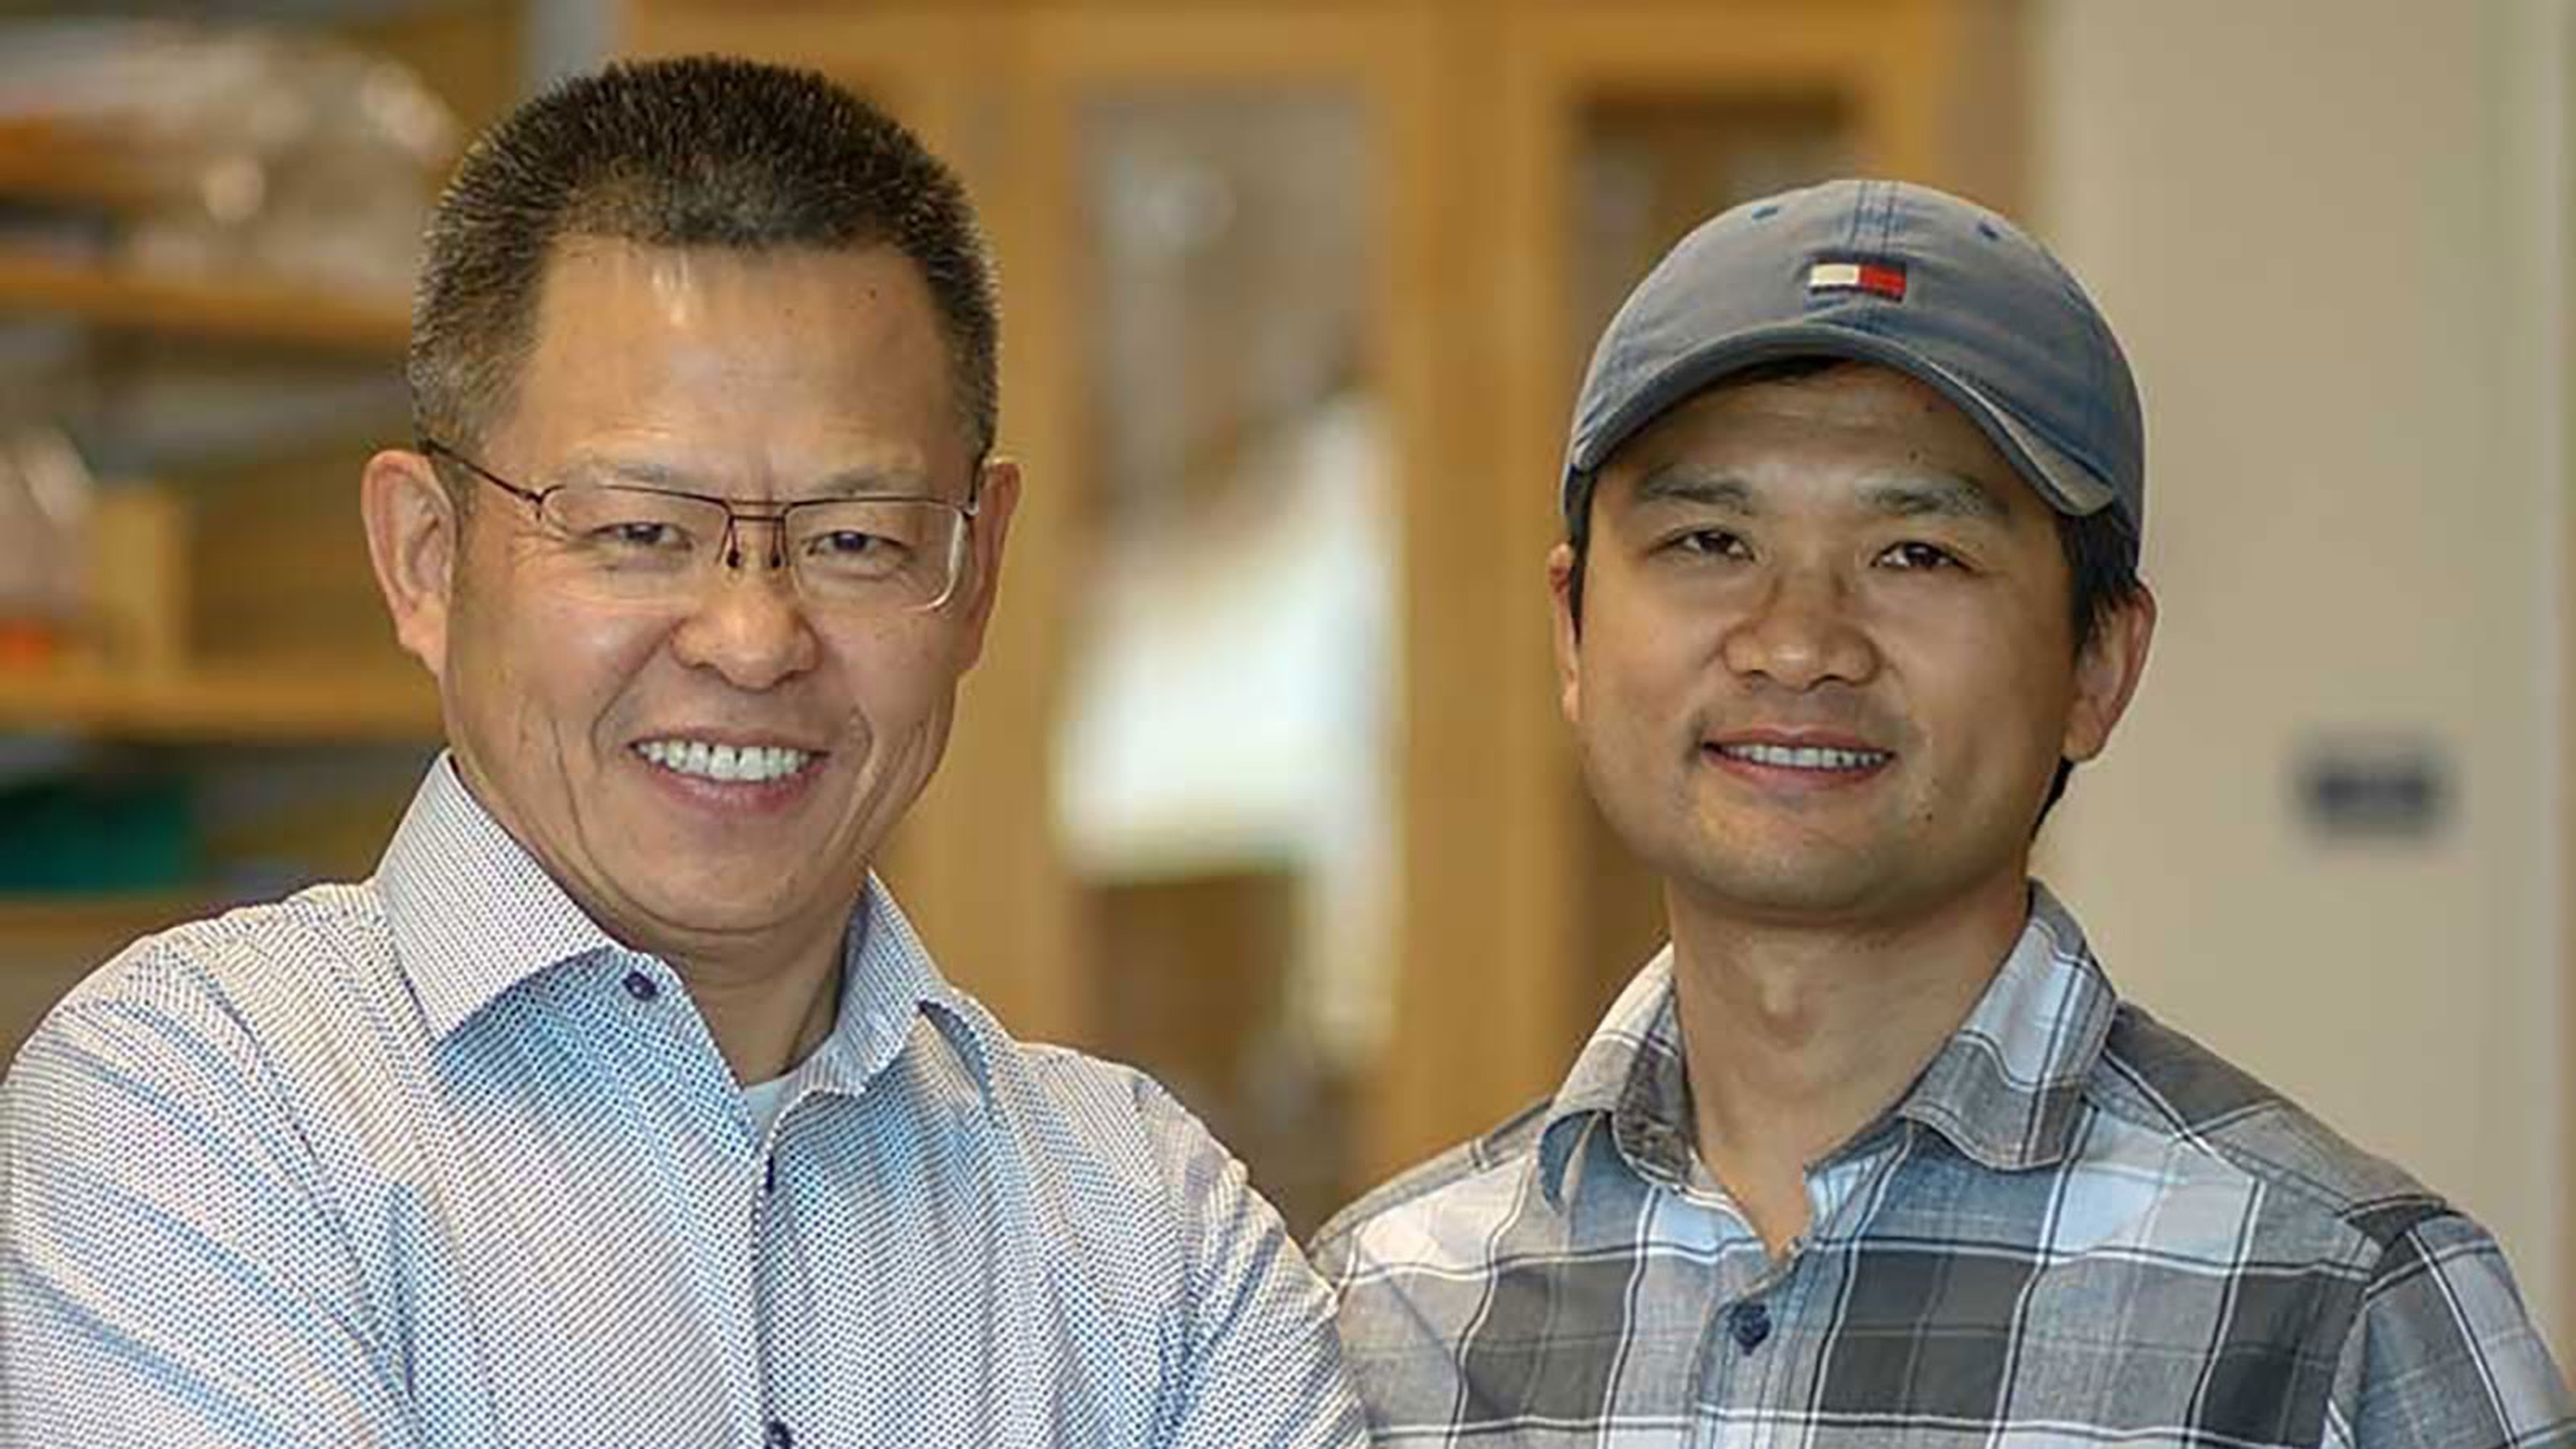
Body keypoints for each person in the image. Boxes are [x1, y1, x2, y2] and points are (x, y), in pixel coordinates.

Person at [1, 56, 1363, 1448]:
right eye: (640, 531)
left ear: (979, 569)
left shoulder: (1150, 1233)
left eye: (855, 540)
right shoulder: (197, 1118)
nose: (754, 637)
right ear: (426, 558)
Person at [1311, 179, 2572, 1446]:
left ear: (2098, 667)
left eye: (1918, 555)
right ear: (1573, 633)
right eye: (1709, 541)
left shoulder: (2338, 1308)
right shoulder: (1387, 1313)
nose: (1797, 644)